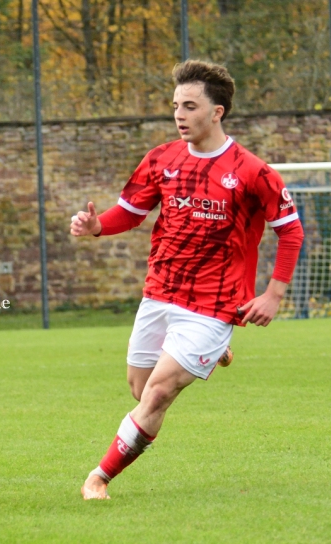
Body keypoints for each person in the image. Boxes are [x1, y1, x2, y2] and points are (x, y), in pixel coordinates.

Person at [70, 59, 304, 500]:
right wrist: (97, 225)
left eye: (190, 105)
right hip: (161, 292)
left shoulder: (252, 170)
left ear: (217, 112)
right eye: (176, 104)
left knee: (157, 395)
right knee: (139, 389)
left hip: (215, 304)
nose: (179, 114)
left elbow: (290, 230)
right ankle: (213, 353)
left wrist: (273, 294)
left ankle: (98, 477)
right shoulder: (161, 159)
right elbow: (131, 213)